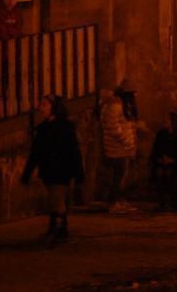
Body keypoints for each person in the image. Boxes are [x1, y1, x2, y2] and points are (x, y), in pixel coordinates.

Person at [20, 96, 85, 247]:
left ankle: (54, 230)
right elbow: (36, 153)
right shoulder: (44, 127)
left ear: (53, 107)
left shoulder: (64, 127)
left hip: (60, 169)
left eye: (44, 105)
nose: (41, 107)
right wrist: (27, 173)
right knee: (57, 200)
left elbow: (74, 150)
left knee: (56, 200)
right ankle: (61, 230)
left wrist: (78, 173)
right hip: (49, 169)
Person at [100, 81, 138, 212]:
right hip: (118, 149)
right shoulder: (115, 108)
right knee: (119, 177)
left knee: (121, 176)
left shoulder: (119, 107)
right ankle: (114, 202)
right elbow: (114, 129)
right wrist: (127, 141)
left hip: (122, 148)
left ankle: (119, 200)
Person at [149, 124, 177, 211]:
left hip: (172, 163)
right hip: (161, 162)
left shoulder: (176, 138)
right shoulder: (162, 135)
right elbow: (155, 152)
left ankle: (171, 201)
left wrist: (171, 160)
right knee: (160, 175)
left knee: (169, 175)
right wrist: (161, 159)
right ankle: (163, 202)